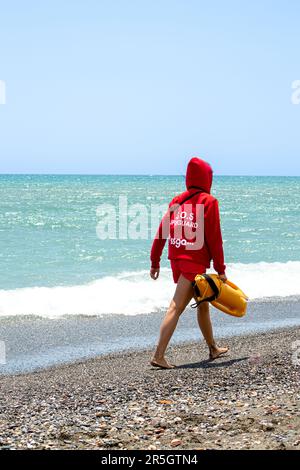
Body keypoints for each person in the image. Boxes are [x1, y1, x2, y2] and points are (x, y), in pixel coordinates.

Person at [150, 157, 229, 368]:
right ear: (207, 178)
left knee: (203, 304)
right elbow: (214, 237)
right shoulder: (209, 202)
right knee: (176, 307)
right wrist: (221, 270)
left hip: (176, 258)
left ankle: (213, 348)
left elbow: (162, 231)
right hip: (192, 263)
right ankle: (158, 355)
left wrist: (155, 260)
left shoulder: (177, 200)